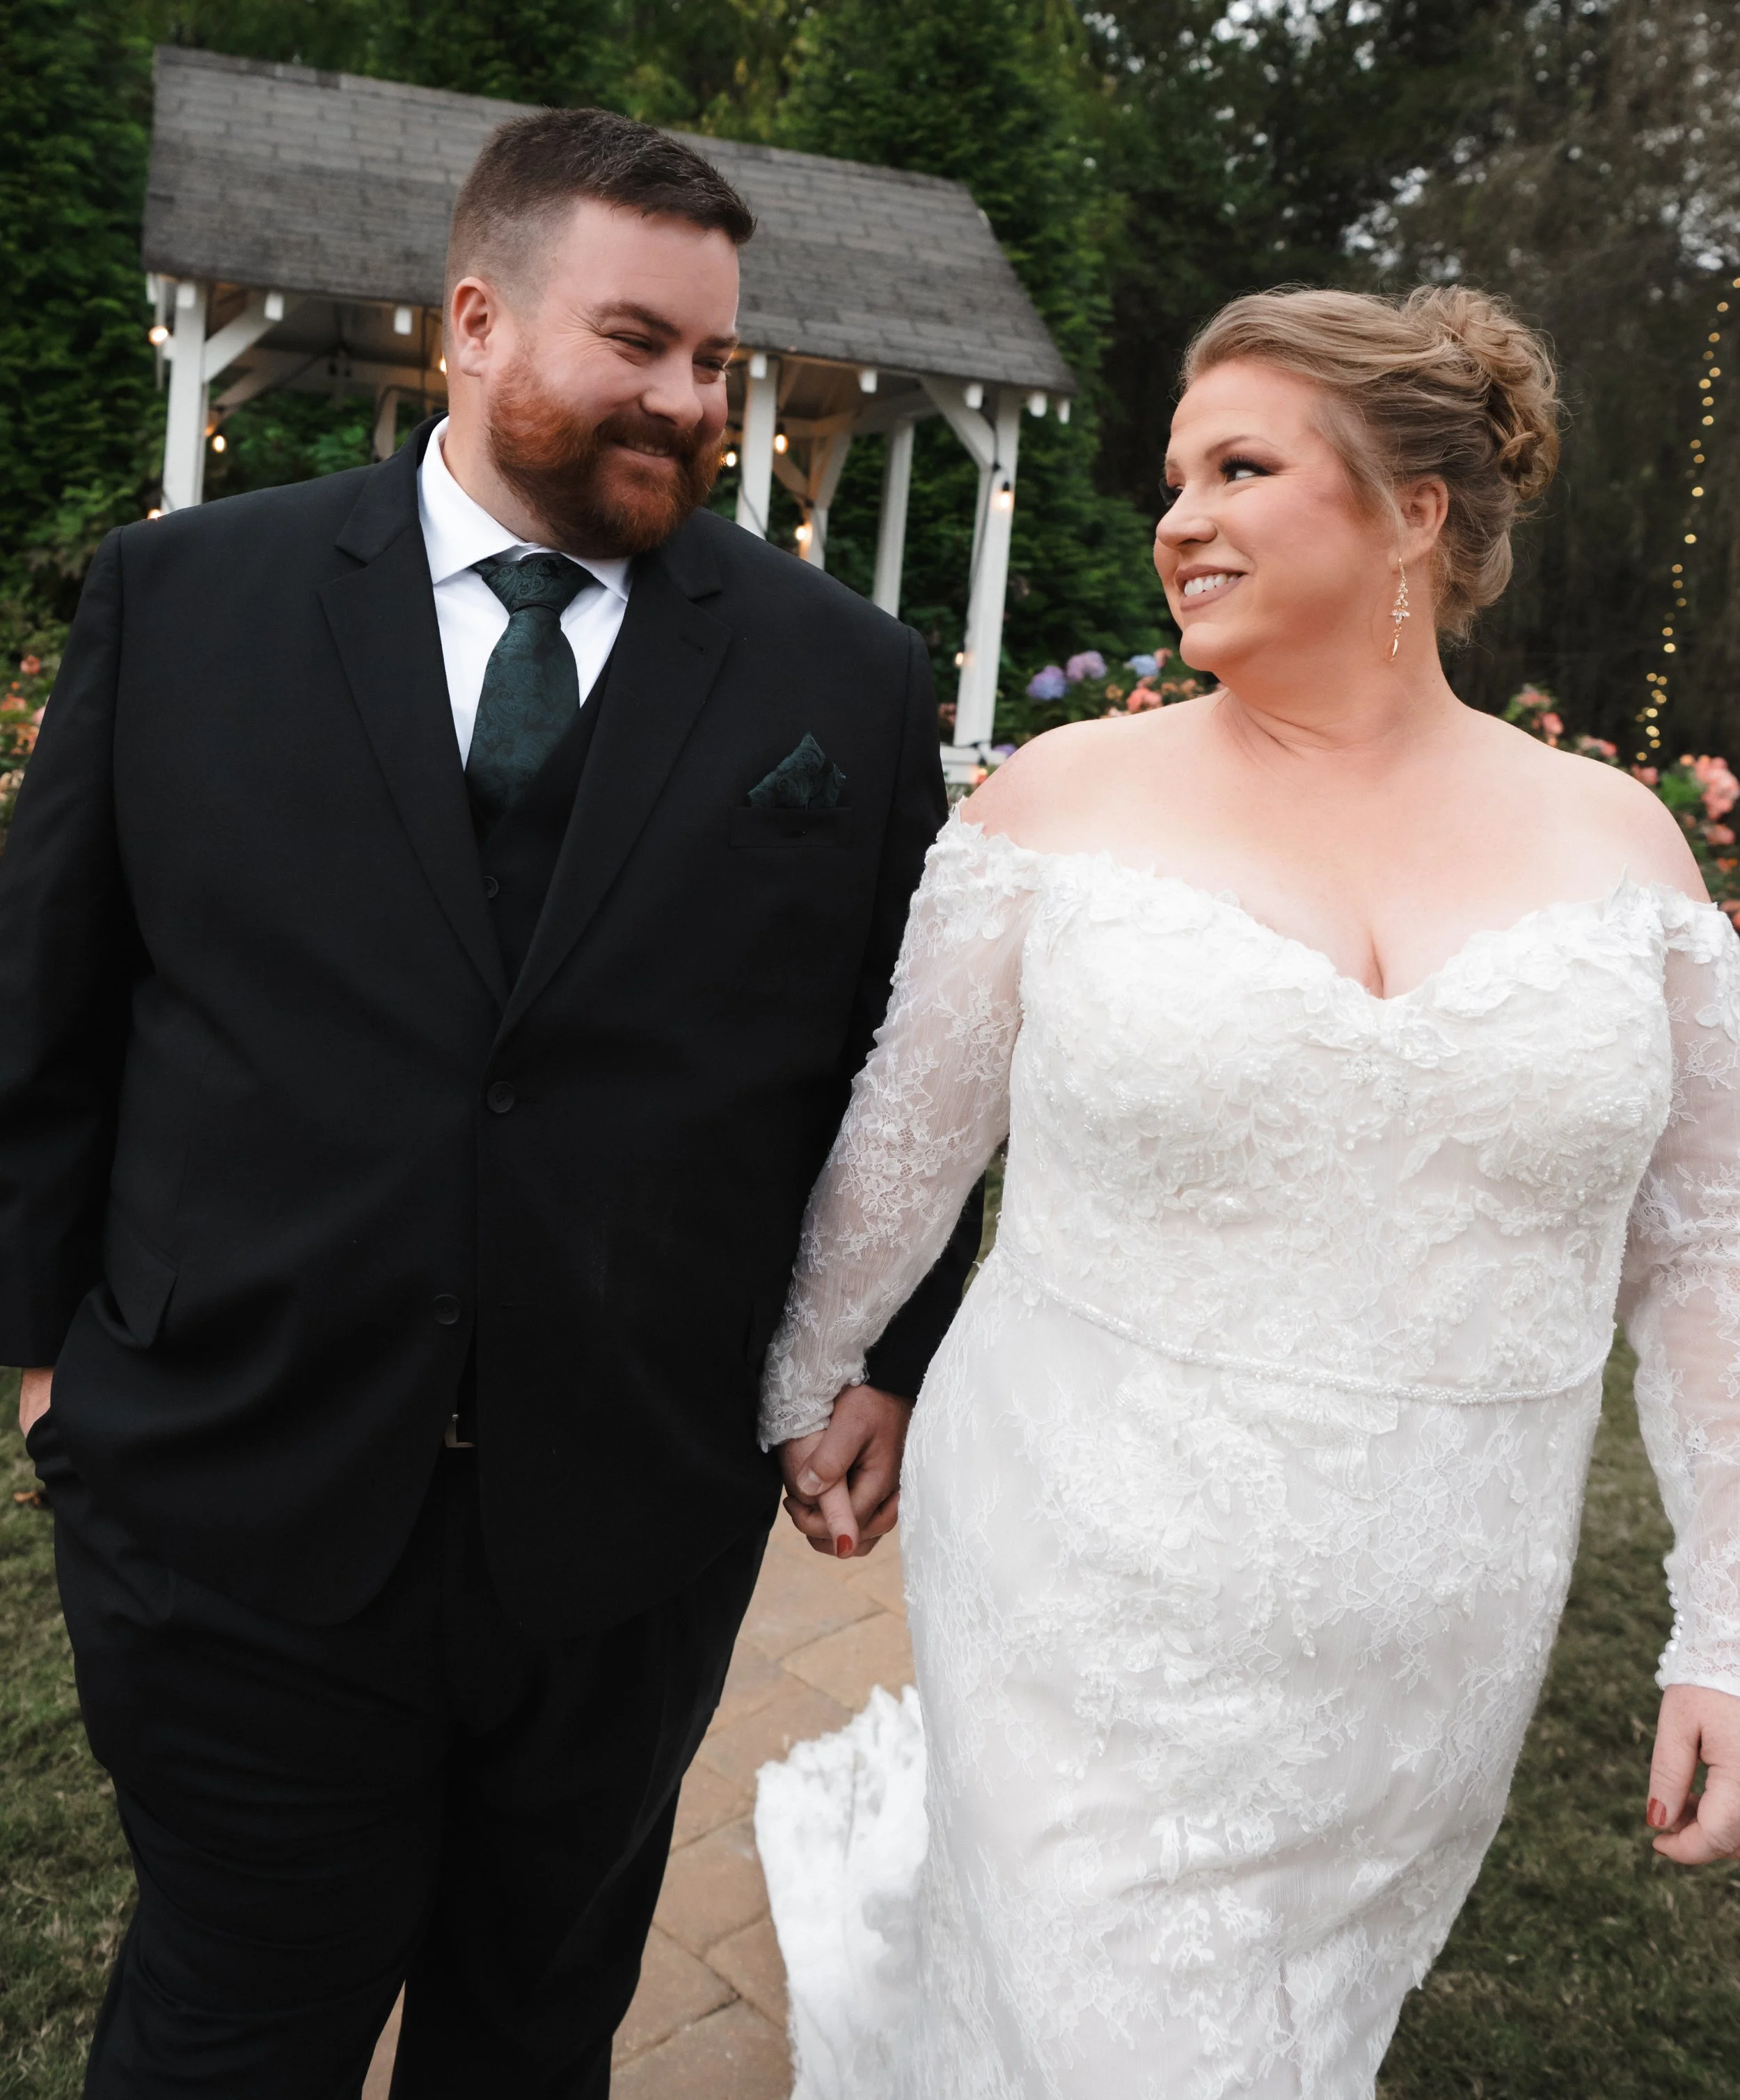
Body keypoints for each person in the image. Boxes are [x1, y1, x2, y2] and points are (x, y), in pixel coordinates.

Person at [0, 106, 980, 2097]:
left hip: (624, 1531)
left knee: (532, 2033)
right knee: (227, 2024)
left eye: (715, 358)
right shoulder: (185, 602)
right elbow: (46, 1015)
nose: (692, 399)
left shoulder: (846, 682)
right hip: (231, 1498)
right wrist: (48, 1380)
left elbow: (915, 1064)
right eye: (639, 341)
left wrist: (885, 1345)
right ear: (472, 317)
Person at [758, 284, 1740, 2100]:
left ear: (1413, 511)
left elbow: (1701, 1263)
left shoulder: (1620, 847)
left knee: (1293, 2027)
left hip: (1434, 1614)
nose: (1176, 517)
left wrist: (1725, 1629)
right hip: (1086, 1568)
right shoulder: (1053, 808)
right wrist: (806, 1386)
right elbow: (900, 1156)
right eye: (1169, 477)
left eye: (1237, 466)